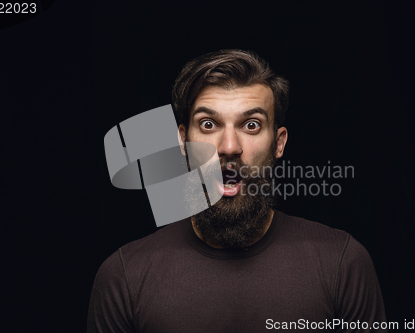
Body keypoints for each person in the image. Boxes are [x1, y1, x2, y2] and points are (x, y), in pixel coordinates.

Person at [87, 49, 388, 332]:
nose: (229, 147)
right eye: (208, 124)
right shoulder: (125, 276)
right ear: (183, 142)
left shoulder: (341, 264)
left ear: (279, 142)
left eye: (251, 125)